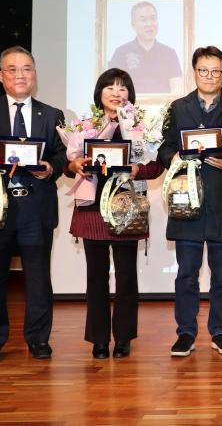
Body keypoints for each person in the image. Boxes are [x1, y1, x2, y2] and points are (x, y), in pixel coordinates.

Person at [0, 46, 66, 364]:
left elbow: (60, 154)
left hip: (36, 206)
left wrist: (51, 168)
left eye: (27, 68)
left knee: (38, 278)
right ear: (1, 76)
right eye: (13, 69)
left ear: (35, 74)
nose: (21, 75)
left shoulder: (51, 113)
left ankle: (38, 339)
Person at [159, 46, 222, 357]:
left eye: (216, 71)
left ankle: (220, 331)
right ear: (194, 71)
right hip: (185, 202)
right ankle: (185, 332)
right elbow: (163, 147)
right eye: (203, 70)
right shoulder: (178, 107)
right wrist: (172, 156)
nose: (209, 76)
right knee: (186, 274)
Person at [65, 69, 164, 360]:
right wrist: (75, 165)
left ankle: (123, 338)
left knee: (126, 276)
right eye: (111, 87)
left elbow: (155, 167)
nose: (117, 93)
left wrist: (137, 169)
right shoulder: (86, 125)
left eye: (123, 88)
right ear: (100, 93)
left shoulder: (139, 127)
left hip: (126, 208)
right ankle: (98, 340)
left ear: (130, 95)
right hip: (92, 207)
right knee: (95, 277)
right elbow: (68, 165)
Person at [108, 1, 182, 94]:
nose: (149, 24)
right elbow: (113, 89)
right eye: (143, 20)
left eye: (153, 18)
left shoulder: (169, 53)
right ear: (133, 25)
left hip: (164, 107)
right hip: (130, 107)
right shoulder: (121, 52)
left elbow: (177, 90)